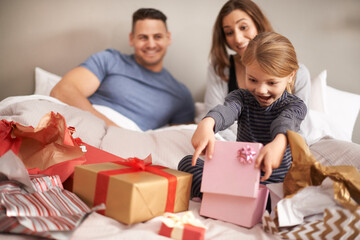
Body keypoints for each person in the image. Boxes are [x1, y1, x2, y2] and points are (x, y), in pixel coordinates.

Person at [178, 32, 307, 200]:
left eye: (271, 82)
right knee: (187, 163)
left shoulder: (295, 105)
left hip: (274, 184)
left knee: (294, 193)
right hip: (240, 177)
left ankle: (225, 197)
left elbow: (285, 123)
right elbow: (227, 111)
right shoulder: (241, 97)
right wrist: (207, 123)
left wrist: (279, 142)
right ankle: (227, 196)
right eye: (253, 80)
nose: (261, 90)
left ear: (290, 76)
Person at [50, 8, 195, 131]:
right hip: (83, 126)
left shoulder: (180, 95)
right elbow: (62, 91)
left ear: (168, 38)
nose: (151, 44)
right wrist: (111, 129)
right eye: (143, 37)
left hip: (125, 146)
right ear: (132, 39)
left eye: (157, 37)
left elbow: (183, 141)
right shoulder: (109, 60)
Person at [204, 0, 310, 140]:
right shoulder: (235, 90)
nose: (238, 38)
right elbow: (223, 112)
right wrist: (209, 122)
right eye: (229, 32)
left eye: (243, 27)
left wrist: (276, 144)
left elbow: (293, 124)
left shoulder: (297, 89)